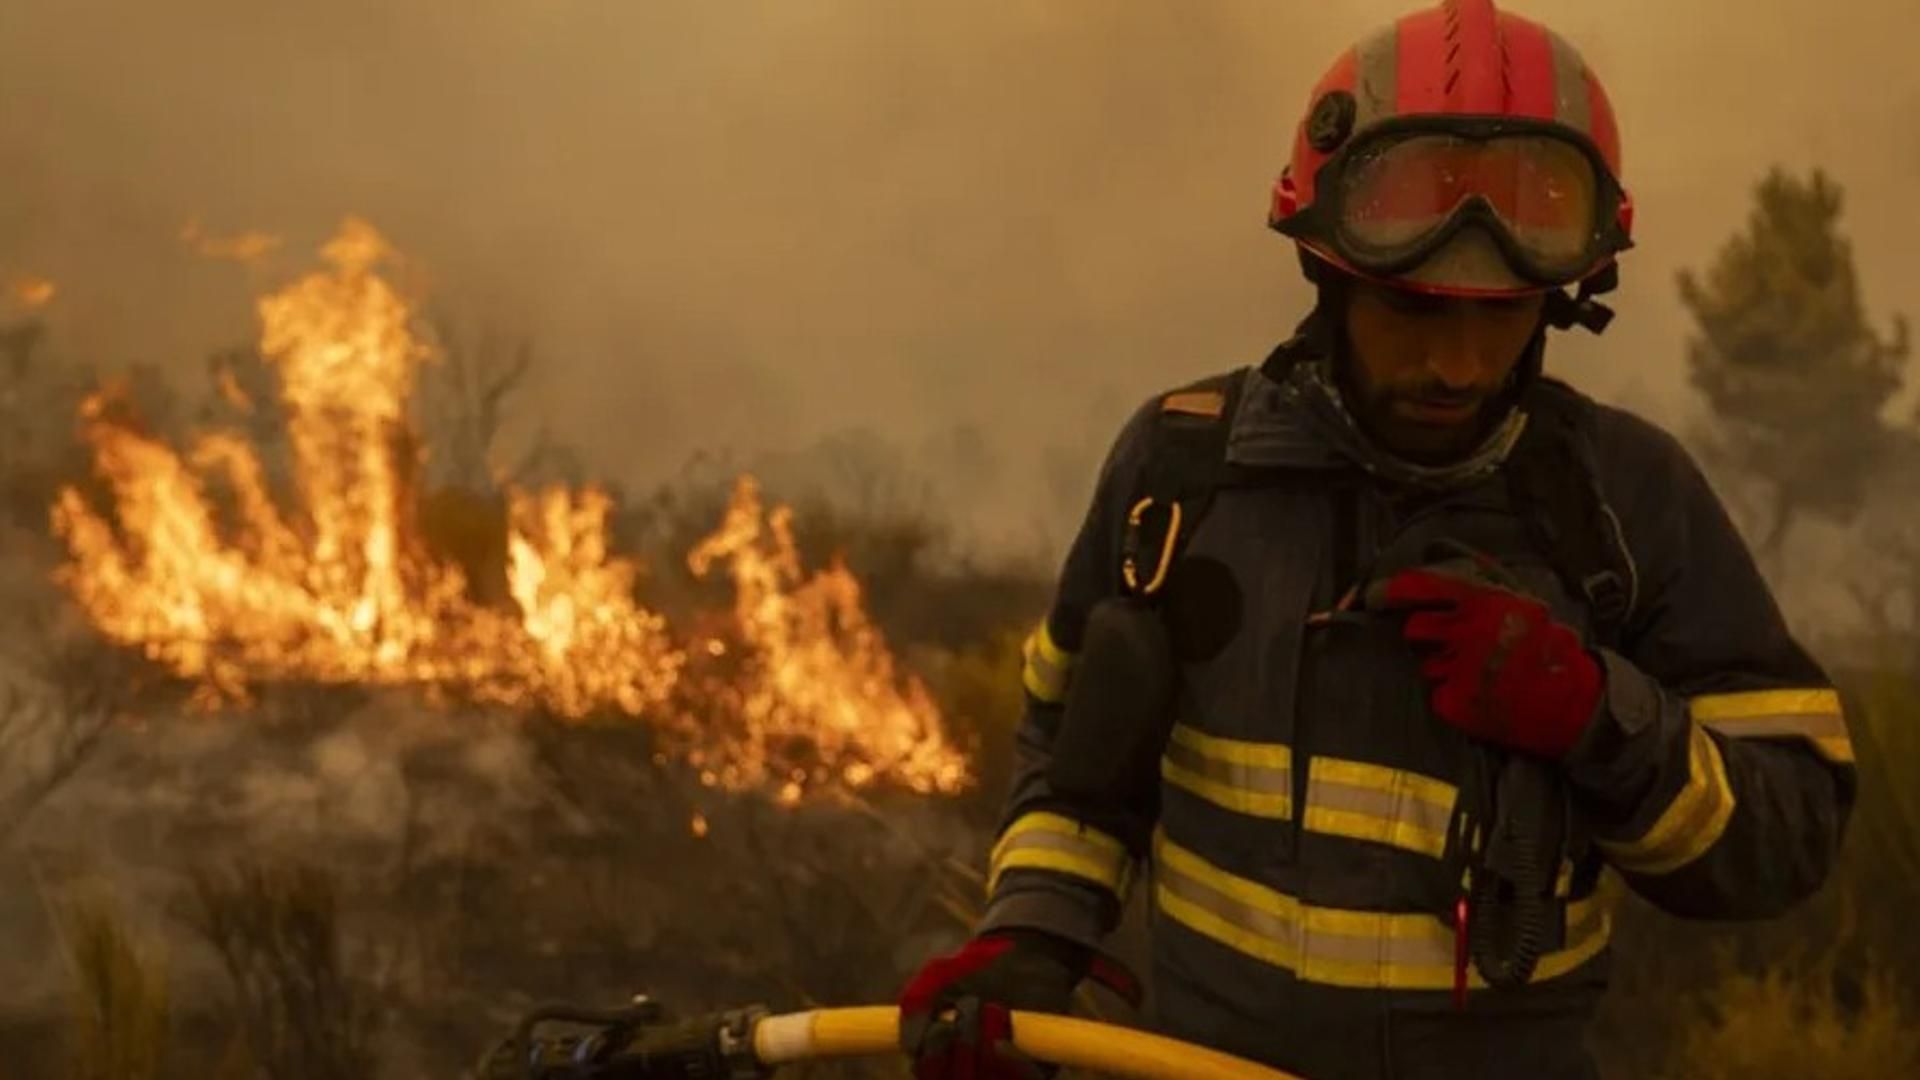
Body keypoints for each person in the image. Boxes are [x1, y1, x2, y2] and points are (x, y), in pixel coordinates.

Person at [894, 1, 1859, 1078]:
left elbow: (1791, 836)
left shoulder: (1628, 507)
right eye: (1414, 310)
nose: (1457, 365)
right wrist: (1031, 936)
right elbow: (1071, 764)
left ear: (1560, 303)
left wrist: (1597, 718)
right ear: (1329, 274)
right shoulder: (1179, 478)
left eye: (1500, 315)